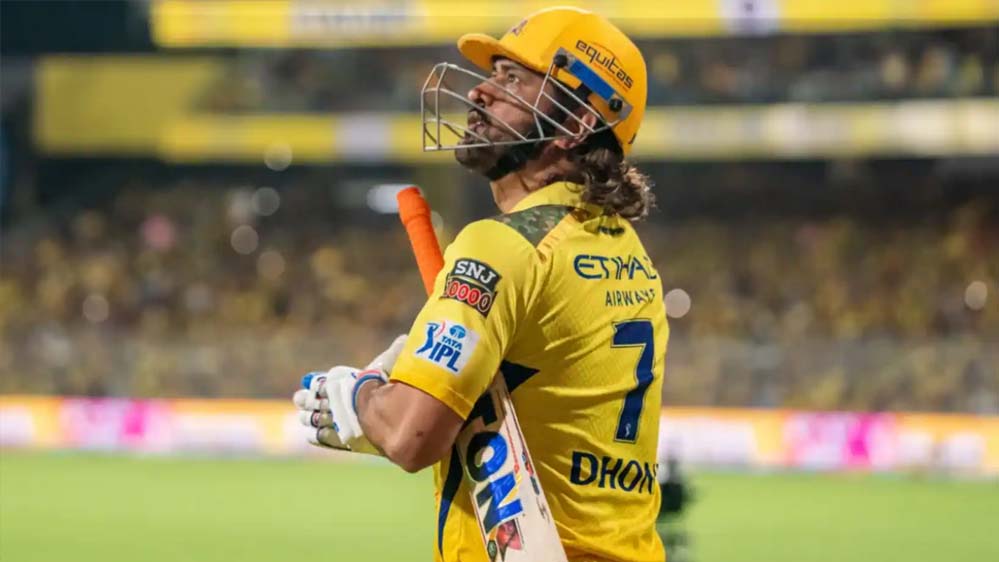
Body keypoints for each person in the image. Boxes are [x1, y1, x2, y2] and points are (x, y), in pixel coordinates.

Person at [293, 7, 668, 562]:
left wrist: (359, 395)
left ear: (576, 125)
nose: (480, 93)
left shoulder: (501, 244)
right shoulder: (628, 253)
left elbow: (412, 437)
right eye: (493, 74)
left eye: (513, 79)